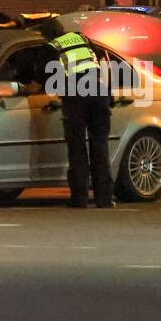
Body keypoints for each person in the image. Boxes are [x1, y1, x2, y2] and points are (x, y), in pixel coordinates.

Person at [37, 18, 114, 208]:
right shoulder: (82, 38)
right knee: (99, 147)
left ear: (46, 35)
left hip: (76, 97)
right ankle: (103, 199)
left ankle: (79, 199)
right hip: (98, 94)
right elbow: (102, 62)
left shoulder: (51, 48)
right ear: (62, 29)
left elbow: (45, 77)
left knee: (77, 147)